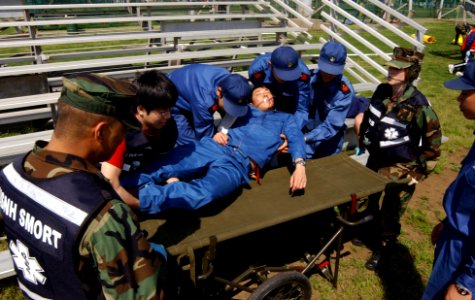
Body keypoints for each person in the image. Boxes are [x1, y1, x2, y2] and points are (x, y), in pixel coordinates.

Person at [0, 74, 167, 299]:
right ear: (102, 132)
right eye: (122, 131)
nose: (123, 140)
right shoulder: (104, 215)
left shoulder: (10, 174)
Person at [126, 86, 307, 214]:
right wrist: (219, 132)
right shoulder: (244, 111)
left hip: (238, 164)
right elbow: (223, 124)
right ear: (251, 103)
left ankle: (139, 199)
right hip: (215, 147)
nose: (266, 93)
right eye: (259, 92)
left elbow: (296, 138)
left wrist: (300, 165)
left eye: (268, 92)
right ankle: (117, 188)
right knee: (166, 164)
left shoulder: (285, 119)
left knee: (206, 194)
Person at [358, 47, 442, 270]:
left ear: (411, 73)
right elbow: (370, 117)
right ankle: (367, 229)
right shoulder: (381, 91)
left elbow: (434, 142)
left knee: (391, 210)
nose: (392, 71)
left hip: (401, 165)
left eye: (399, 68)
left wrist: (419, 172)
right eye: (392, 66)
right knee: (369, 199)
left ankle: (383, 247)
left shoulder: (419, 105)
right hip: (376, 158)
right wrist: (363, 139)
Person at [422, 61, 475, 300]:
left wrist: (467, 283)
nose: (458, 99)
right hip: (456, 237)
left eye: (465, 92)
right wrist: (448, 222)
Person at [101, 70, 179, 208]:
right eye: (162, 112)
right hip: (113, 183)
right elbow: (111, 185)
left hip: (141, 173)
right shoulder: (120, 133)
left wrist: (172, 181)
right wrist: (145, 204)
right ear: (141, 109)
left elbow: (163, 161)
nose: (168, 116)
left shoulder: (168, 127)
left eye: (169, 109)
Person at [168, 64, 251, 145]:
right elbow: (204, 133)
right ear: (219, 92)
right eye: (228, 105)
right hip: (172, 98)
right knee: (190, 142)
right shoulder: (205, 101)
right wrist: (214, 137)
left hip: (190, 88)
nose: (229, 110)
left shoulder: (231, 81)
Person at [303, 41, 355, 159]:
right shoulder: (309, 79)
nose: (328, 73)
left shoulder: (345, 92)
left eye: (333, 70)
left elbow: (331, 126)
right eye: (325, 68)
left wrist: (305, 138)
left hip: (329, 144)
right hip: (306, 137)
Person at [248, 45, 311, 129]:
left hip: (289, 101)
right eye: (282, 75)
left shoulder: (302, 75)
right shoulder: (258, 71)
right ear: (270, 65)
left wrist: (291, 131)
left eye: (291, 75)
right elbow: (257, 97)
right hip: (268, 100)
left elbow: (301, 110)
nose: (286, 78)